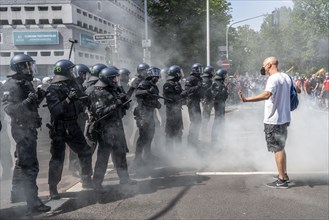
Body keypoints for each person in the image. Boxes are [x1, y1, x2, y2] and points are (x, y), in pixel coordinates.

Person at [238, 56, 300, 189]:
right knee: (281, 147)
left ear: (270, 64)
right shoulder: (287, 77)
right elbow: (298, 90)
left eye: (264, 65)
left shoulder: (273, 78)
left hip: (274, 119)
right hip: (284, 118)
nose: (263, 68)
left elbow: (267, 95)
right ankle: (283, 174)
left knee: (277, 148)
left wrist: (247, 100)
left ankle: (282, 180)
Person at [1, 54, 51, 213]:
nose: (30, 69)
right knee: (30, 166)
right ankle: (33, 203)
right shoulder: (11, 85)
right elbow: (10, 110)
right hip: (21, 129)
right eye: (26, 66)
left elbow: (29, 107)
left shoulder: (25, 82)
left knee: (21, 162)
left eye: (30, 65)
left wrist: (39, 97)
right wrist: (29, 101)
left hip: (28, 128)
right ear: (18, 68)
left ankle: (17, 194)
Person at [46, 59, 93, 200]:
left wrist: (84, 98)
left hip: (72, 125)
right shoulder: (52, 89)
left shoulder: (71, 85)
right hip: (59, 127)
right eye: (71, 70)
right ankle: (53, 188)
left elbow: (82, 99)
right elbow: (56, 110)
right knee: (57, 159)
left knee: (85, 151)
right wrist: (68, 99)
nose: (74, 73)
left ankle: (86, 179)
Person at [88, 67, 137, 193]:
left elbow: (125, 105)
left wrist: (127, 95)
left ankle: (125, 179)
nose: (116, 81)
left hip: (117, 126)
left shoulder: (114, 90)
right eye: (113, 78)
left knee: (120, 155)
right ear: (106, 79)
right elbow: (99, 113)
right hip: (105, 129)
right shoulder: (98, 92)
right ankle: (97, 183)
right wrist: (116, 105)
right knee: (103, 158)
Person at [133, 66, 162, 167]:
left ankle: (148, 155)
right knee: (143, 137)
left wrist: (157, 103)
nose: (157, 78)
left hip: (150, 112)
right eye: (155, 76)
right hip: (143, 113)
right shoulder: (144, 83)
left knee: (150, 135)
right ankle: (137, 158)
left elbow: (153, 98)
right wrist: (146, 91)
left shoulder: (153, 85)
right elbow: (137, 93)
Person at [163, 65, 184, 154]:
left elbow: (180, 95)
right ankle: (169, 153)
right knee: (170, 133)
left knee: (179, 132)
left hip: (177, 111)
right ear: (176, 74)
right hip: (171, 112)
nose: (181, 75)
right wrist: (182, 94)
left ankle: (179, 152)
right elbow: (171, 98)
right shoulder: (167, 84)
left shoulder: (177, 84)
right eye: (179, 73)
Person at [181, 63, 203, 149]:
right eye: (199, 69)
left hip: (197, 101)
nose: (200, 71)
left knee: (198, 121)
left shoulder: (199, 78)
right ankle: (191, 142)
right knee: (194, 122)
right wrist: (197, 87)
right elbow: (187, 91)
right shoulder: (190, 79)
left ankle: (195, 139)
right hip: (191, 102)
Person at [211, 69, 229, 144]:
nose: (226, 77)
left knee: (220, 121)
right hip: (218, 105)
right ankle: (215, 140)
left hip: (220, 105)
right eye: (225, 75)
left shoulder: (219, 83)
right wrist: (224, 90)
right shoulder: (217, 84)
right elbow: (217, 96)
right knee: (218, 121)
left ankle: (219, 139)